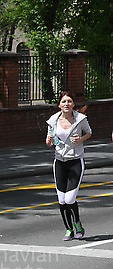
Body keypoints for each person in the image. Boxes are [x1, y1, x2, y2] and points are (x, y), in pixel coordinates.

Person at [46, 91, 91, 241]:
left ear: (73, 104)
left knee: (70, 198)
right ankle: (68, 230)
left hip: (75, 161)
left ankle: (77, 224)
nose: (67, 104)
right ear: (59, 104)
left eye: (69, 101)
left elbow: (89, 133)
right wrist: (49, 139)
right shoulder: (53, 120)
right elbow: (48, 142)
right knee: (61, 200)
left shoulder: (80, 119)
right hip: (59, 161)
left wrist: (81, 139)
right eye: (64, 101)